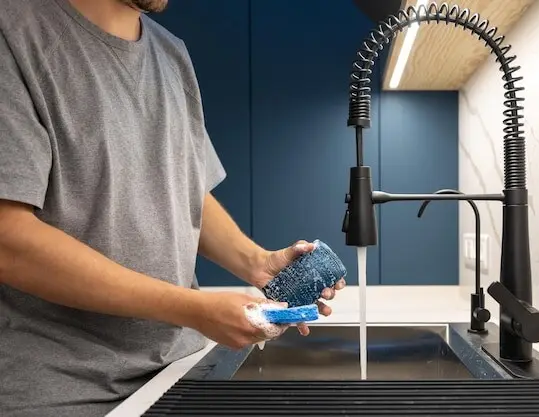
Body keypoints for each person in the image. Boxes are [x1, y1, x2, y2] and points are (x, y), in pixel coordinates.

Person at [0, 0, 346, 416]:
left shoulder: (170, 53)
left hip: (174, 371)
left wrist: (257, 263)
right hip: (63, 392)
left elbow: (182, 186)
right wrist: (191, 309)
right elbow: (9, 240)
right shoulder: (13, 33)